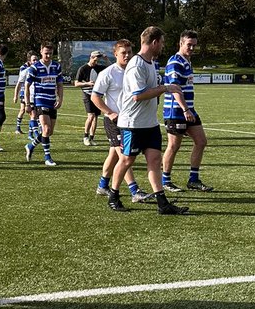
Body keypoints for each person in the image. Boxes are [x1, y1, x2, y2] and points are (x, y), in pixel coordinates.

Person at [107, 27, 189, 214]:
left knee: (154, 159)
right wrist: (165, 88)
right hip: (132, 124)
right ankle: (113, 195)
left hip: (149, 123)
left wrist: (163, 88)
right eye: (161, 42)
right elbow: (138, 95)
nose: (162, 46)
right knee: (127, 160)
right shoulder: (137, 65)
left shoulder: (151, 62)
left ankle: (162, 203)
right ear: (154, 42)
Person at [91, 39, 147, 202]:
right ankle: (134, 190)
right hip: (114, 121)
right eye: (123, 53)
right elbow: (95, 96)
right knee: (124, 155)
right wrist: (109, 113)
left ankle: (103, 186)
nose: (127, 55)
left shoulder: (134, 71)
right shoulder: (108, 73)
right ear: (115, 54)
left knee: (114, 155)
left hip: (131, 121)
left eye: (130, 52)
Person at [160, 31, 214, 192]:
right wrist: (185, 109)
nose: (191, 47)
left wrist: (188, 109)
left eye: (194, 45)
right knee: (173, 146)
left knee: (201, 141)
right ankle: (166, 181)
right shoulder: (175, 62)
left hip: (188, 110)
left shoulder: (187, 61)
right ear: (180, 43)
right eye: (188, 44)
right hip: (176, 111)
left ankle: (193, 179)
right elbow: (175, 88)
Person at [24, 44, 64, 166]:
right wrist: (27, 103)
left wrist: (60, 99)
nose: (48, 55)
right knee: (46, 129)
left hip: (52, 101)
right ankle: (47, 158)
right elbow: (26, 86)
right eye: (46, 53)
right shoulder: (34, 68)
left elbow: (60, 84)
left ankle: (31, 145)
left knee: (49, 132)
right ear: (41, 51)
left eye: (50, 53)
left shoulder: (56, 66)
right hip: (40, 101)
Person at [74, 50, 105, 146]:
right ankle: (85, 137)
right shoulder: (83, 69)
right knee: (91, 116)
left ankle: (92, 138)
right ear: (91, 57)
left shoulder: (99, 68)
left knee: (95, 117)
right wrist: (87, 83)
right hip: (87, 94)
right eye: (95, 58)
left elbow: (112, 68)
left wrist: (107, 59)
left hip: (97, 94)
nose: (97, 61)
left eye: (98, 59)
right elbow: (76, 83)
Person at [13, 53, 37, 136]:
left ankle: (31, 132)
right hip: (25, 92)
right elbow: (20, 82)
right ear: (29, 61)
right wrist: (16, 95)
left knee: (33, 113)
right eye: (34, 60)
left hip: (33, 93)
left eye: (36, 59)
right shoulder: (24, 68)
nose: (36, 61)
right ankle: (18, 128)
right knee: (23, 110)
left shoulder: (37, 67)